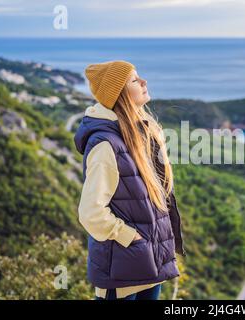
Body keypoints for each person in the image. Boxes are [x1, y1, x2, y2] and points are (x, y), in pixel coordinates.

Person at [74, 60, 186, 300]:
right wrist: (131, 237)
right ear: (120, 93)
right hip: (121, 271)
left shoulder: (140, 133)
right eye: (135, 80)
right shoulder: (106, 144)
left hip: (149, 264)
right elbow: (91, 213)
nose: (144, 82)